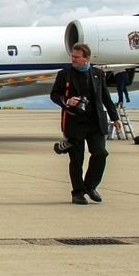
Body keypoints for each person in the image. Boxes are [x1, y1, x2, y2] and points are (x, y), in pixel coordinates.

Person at [49, 43, 121, 205]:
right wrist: (67, 101)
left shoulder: (97, 73)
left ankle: (90, 186)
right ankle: (78, 192)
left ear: (86, 58)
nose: (72, 59)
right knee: (77, 160)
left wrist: (115, 117)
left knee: (100, 153)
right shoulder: (64, 74)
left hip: (95, 121)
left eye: (76, 57)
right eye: (72, 56)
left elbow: (105, 97)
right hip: (75, 122)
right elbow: (54, 95)